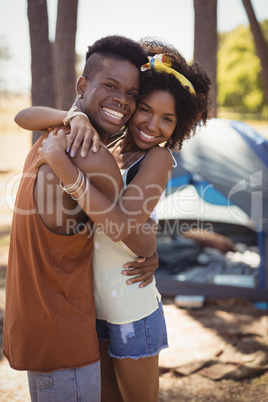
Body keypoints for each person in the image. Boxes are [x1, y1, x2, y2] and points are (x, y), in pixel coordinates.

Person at [25, 37, 211, 402]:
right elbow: (24, 117)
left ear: (181, 124)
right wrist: (73, 115)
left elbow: (123, 226)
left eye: (168, 119)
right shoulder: (106, 146)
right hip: (91, 310)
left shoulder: (158, 159)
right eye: (145, 109)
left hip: (131, 312)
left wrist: (68, 173)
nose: (152, 125)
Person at [3, 35, 160, 402]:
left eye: (132, 93)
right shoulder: (90, 155)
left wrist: (70, 114)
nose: (123, 100)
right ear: (82, 85)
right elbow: (137, 235)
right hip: (64, 336)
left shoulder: (52, 134)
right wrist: (151, 250)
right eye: (111, 85)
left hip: (35, 326)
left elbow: (23, 115)